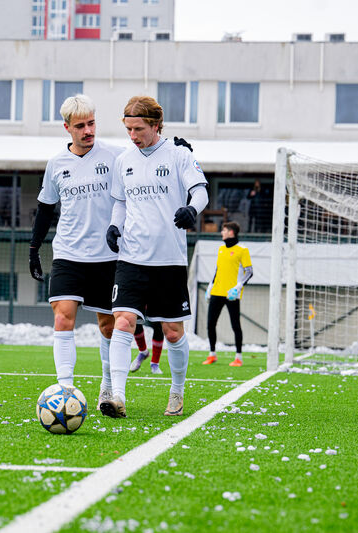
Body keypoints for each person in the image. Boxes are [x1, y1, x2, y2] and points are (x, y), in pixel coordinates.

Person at [102, 95, 208, 418]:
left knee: (173, 331)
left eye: (138, 128)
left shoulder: (178, 155)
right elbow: (120, 202)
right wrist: (113, 226)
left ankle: (176, 390)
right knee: (122, 320)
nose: (132, 136)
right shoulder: (124, 160)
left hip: (169, 260)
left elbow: (201, 191)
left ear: (156, 125)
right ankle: (116, 397)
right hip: (131, 257)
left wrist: (192, 209)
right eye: (128, 129)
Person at [29, 94, 124, 410]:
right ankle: (65, 391)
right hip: (68, 252)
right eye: (81, 125)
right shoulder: (57, 164)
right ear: (67, 128)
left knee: (108, 325)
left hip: (108, 255)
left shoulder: (115, 157)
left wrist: (175, 153)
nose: (88, 130)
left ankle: (108, 389)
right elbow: (45, 209)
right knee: (63, 317)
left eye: (92, 123)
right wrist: (33, 248)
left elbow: (145, 166)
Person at [203, 221, 253, 366]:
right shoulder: (220, 249)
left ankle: (238, 357)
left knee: (235, 325)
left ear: (231, 232)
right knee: (210, 324)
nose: (221, 233)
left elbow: (249, 272)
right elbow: (218, 270)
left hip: (232, 294)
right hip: (217, 292)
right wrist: (210, 287)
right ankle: (212, 354)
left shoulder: (242, 250)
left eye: (224, 230)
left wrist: (238, 287)